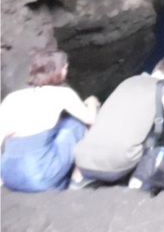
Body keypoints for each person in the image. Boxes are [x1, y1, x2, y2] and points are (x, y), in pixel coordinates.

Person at [73, 57, 164, 188]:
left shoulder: (129, 81)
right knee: (162, 150)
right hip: (116, 165)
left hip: (82, 162)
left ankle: (75, 183)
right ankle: (137, 183)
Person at [0, 50, 98, 192]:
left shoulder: (12, 98)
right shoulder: (63, 94)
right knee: (76, 124)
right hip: (39, 176)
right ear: (59, 71)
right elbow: (91, 120)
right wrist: (92, 103)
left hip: (8, 174)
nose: (66, 70)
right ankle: (78, 178)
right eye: (65, 67)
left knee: (57, 128)